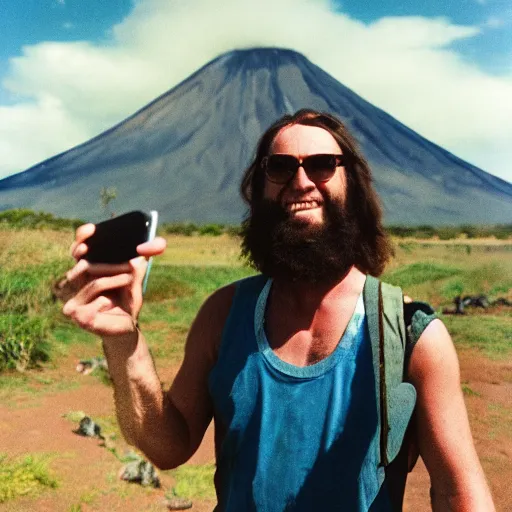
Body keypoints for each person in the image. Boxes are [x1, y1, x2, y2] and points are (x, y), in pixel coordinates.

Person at [61, 109, 495, 511]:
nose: (301, 181)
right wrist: (124, 342)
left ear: (354, 187)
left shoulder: (410, 333)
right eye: (281, 166)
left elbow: (458, 488)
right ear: (260, 189)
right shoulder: (223, 314)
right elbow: (169, 448)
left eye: (323, 164)